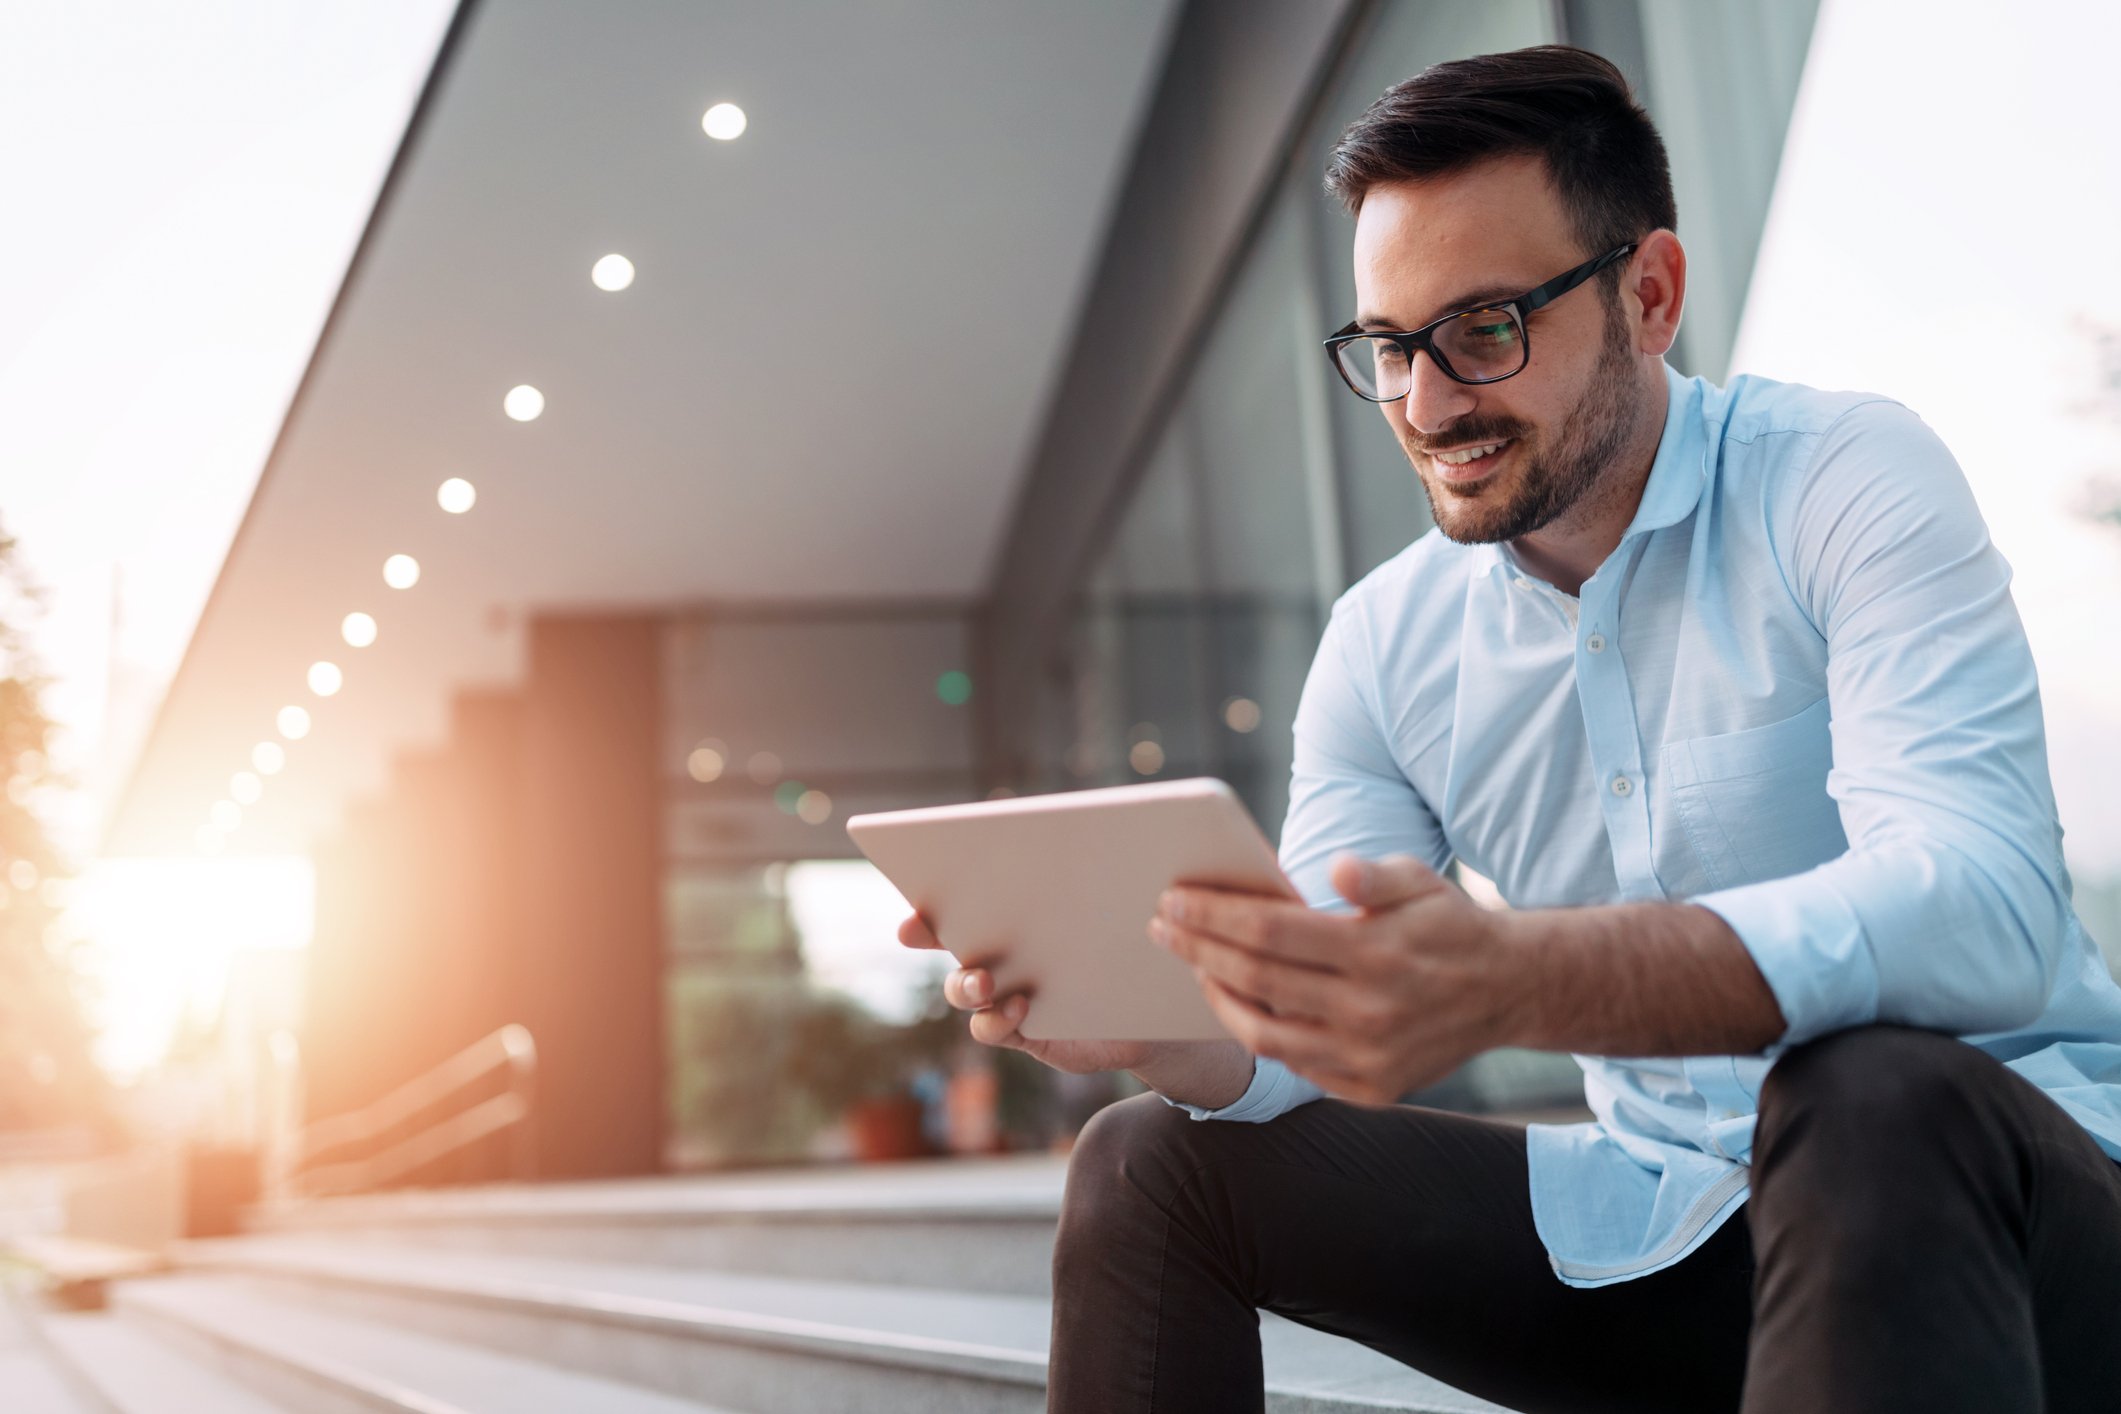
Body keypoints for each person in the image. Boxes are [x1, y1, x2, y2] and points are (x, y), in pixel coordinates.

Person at [897, 44, 2121, 1414]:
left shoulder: (1841, 480)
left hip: (1998, 1224)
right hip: (1667, 1226)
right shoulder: (1384, 641)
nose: (1423, 406)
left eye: (1482, 332)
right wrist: (1148, 1025)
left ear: (1646, 294)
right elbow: (1305, 1023)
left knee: (1868, 1087)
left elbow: (1985, 909)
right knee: (1144, 1160)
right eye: (1387, 347)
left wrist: (1519, 977)